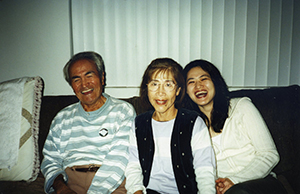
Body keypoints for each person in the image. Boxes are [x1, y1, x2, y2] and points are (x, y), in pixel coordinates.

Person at [182, 59, 287, 194]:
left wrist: (234, 180)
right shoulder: (190, 125)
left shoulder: (241, 107)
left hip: (261, 183)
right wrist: (215, 185)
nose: (198, 86)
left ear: (215, 82)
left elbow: (269, 154)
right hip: (224, 189)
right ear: (186, 91)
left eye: (204, 79)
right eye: (191, 82)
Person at [41, 51, 136, 194]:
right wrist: (61, 188)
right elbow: (50, 160)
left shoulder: (123, 111)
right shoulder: (62, 118)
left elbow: (119, 159)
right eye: (76, 79)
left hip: (112, 183)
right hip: (71, 182)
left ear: (102, 78)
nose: (84, 84)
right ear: (71, 85)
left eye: (89, 75)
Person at [125, 58, 216, 194]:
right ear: (147, 88)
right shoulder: (139, 123)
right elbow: (133, 167)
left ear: (178, 90)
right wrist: (136, 191)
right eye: (154, 84)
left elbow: (205, 172)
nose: (160, 92)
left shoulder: (193, 122)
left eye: (168, 85)